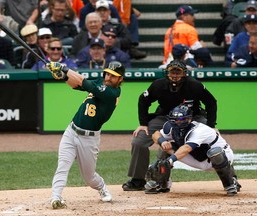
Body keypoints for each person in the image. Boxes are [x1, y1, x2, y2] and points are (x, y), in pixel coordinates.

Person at [122, 59, 217, 191]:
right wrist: (143, 124)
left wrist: (211, 126)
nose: (175, 75)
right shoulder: (158, 85)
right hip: (164, 117)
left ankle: (228, 177)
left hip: (192, 117)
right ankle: (138, 180)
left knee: (212, 137)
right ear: (167, 73)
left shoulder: (194, 85)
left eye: (178, 72)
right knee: (139, 140)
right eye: (172, 72)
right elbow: (143, 100)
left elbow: (211, 102)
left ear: (185, 73)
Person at [46, 60, 125, 209]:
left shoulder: (112, 94)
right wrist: (63, 76)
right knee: (62, 165)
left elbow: (85, 82)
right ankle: (56, 197)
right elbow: (77, 85)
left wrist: (64, 68)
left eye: (113, 76)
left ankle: (101, 187)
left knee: (89, 177)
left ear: (120, 79)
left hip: (89, 139)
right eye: (107, 74)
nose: (108, 78)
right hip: (71, 131)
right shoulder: (101, 82)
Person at [148, 104, 241, 196]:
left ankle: (231, 183)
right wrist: (163, 141)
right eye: (175, 120)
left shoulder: (199, 130)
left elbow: (187, 148)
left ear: (189, 119)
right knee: (165, 148)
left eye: (182, 119)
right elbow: (155, 135)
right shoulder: (170, 127)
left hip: (219, 157)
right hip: (197, 157)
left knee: (215, 153)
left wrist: (169, 161)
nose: (178, 122)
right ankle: (162, 184)